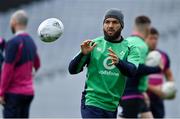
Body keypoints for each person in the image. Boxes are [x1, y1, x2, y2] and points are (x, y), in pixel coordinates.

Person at [68, 8, 140, 118]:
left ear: (121, 25)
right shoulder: (93, 44)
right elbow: (72, 70)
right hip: (92, 102)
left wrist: (119, 62)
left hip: (112, 105)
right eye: (107, 22)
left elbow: (132, 71)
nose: (110, 25)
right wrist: (82, 54)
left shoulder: (130, 48)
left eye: (115, 22)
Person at [120, 16, 163, 118]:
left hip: (129, 92)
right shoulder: (142, 45)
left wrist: (143, 91)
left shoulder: (126, 41)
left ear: (134, 27)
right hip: (131, 94)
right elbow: (137, 69)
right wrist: (157, 69)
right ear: (148, 30)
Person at [0, 10, 40, 118]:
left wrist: (1, 92)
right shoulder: (31, 41)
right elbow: (37, 64)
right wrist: (28, 75)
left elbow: (7, 70)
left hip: (14, 93)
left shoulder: (13, 43)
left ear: (14, 22)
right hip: (28, 93)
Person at [146, 27, 175, 118]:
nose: (154, 41)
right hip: (143, 98)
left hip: (158, 99)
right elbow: (134, 78)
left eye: (155, 38)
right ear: (145, 38)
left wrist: (171, 89)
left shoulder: (163, 56)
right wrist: (155, 89)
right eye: (151, 38)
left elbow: (169, 75)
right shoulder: (139, 55)